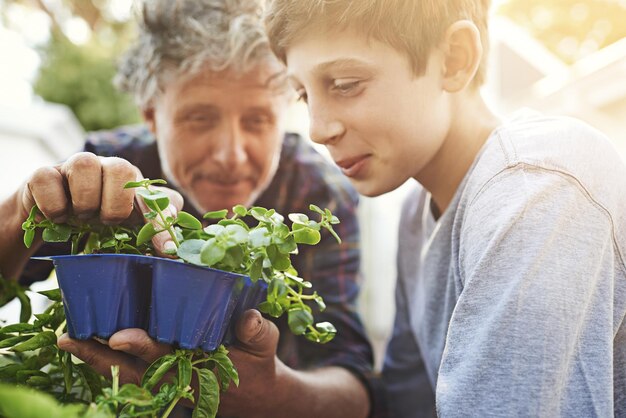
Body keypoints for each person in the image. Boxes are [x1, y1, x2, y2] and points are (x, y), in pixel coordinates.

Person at [0, 1, 385, 417]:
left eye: (257, 121)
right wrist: (26, 211)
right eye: (200, 119)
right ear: (151, 115)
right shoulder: (107, 170)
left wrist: (267, 392)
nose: (230, 155)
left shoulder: (315, 194)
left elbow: (354, 387)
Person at [264, 0, 626, 416]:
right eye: (304, 94)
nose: (319, 128)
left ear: (454, 59)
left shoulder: (538, 186)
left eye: (345, 84)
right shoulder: (416, 215)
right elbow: (408, 404)